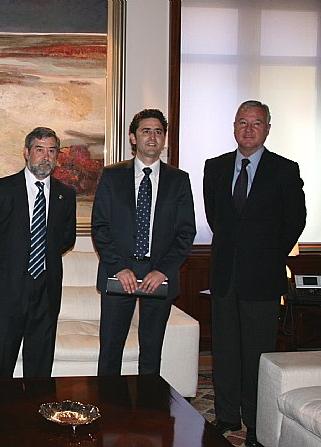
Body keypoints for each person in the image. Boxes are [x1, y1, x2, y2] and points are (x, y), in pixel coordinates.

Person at [204, 100, 306, 447]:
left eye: (257, 123)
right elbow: (214, 216)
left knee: (257, 355)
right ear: (234, 126)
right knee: (226, 350)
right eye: (243, 122)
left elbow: (295, 221)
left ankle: (256, 423)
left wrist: (267, 255)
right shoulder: (214, 168)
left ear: (267, 129)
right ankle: (227, 415)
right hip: (224, 276)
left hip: (262, 278)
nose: (249, 129)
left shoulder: (284, 170)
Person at [92, 108, 196, 377]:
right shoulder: (112, 176)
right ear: (133, 137)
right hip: (119, 274)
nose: (153, 137)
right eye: (146, 131)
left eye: (158, 132)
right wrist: (119, 268)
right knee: (110, 353)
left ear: (164, 139)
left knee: (151, 354)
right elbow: (100, 227)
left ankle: (148, 415)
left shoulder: (179, 180)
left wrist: (163, 271)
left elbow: (186, 232)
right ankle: (110, 414)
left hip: (158, 275)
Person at [0, 126, 77, 379]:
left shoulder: (66, 195)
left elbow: (66, 239)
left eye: (52, 151)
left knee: (40, 368)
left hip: (46, 292)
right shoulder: (1, 189)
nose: (46, 157)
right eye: (40, 150)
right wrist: (10, 261)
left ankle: (35, 416)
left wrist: (39, 258)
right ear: (26, 152)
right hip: (6, 290)